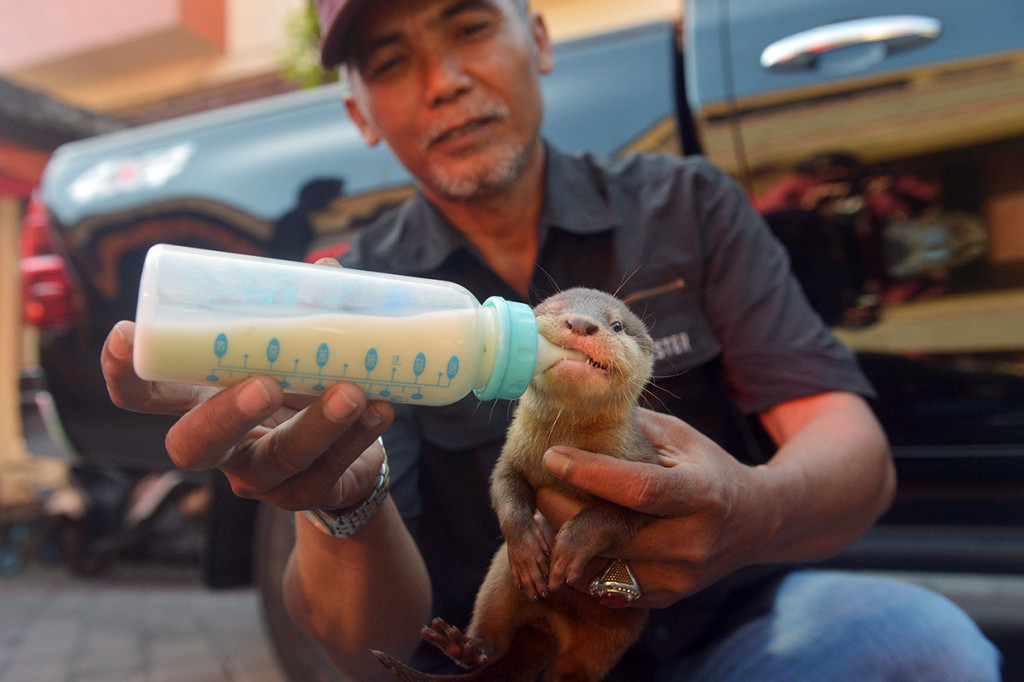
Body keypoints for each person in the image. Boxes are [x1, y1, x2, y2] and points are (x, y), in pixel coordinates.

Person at [101, 1, 1002, 680]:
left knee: (923, 645)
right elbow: (364, 641)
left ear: (536, 37)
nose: (444, 80)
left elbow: (856, 456)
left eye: (468, 28)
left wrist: (753, 511)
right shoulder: (365, 300)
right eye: (392, 60)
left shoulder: (685, 204)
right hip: (515, 653)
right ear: (362, 116)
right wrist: (342, 507)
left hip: (730, 630)